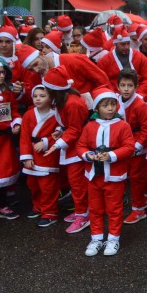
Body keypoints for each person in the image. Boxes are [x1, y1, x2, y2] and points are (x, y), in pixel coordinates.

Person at [78, 88, 135, 257]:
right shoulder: (90, 126)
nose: (110, 108)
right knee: (95, 209)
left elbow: (129, 147)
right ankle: (96, 238)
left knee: (114, 209)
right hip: (94, 175)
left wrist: (110, 155)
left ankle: (113, 238)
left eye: (112, 104)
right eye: (105, 105)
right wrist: (87, 155)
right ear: (97, 108)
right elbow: (80, 146)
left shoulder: (123, 125)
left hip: (114, 176)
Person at [42, 66, 91, 234]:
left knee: (77, 183)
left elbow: (75, 129)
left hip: (77, 147)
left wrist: (57, 144)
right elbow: (69, 126)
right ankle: (81, 210)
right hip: (72, 146)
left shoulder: (72, 103)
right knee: (75, 182)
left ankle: (83, 215)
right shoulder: (65, 101)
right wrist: (60, 132)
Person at [116, 69, 147, 225]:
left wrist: (137, 146)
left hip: (136, 144)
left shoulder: (140, 105)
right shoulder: (116, 100)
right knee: (134, 174)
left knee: (135, 176)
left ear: (136, 86)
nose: (126, 89)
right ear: (117, 86)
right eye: (123, 85)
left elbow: (146, 128)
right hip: (123, 143)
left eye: (130, 85)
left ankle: (139, 209)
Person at [20, 85, 60, 227]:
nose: (38, 99)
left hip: (48, 154)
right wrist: (26, 157)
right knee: (32, 184)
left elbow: (60, 134)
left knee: (47, 185)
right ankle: (38, 205)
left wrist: (46, 142)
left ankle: (50, 212)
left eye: (42, 96)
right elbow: (24, 137)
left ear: (51, 98)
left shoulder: (57, 114)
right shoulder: (29, 114)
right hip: (32, 153)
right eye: (35, 96)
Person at [0, 59, 21, 219]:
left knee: (3, 171)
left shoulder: (6, 93)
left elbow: (15, 111)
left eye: (2, 72)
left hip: (4, 141)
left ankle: (2, 203)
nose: (1, 76)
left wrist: (16, 122)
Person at [97, 29, 147, 100]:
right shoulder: (105, 61)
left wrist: (139, 94)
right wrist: (113, 95)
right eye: (123, 44)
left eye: (128, 43)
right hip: (115, 98)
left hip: (138, 97)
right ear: (115, 44)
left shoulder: (140, 57)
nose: (126, 47)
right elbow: (102, 81)